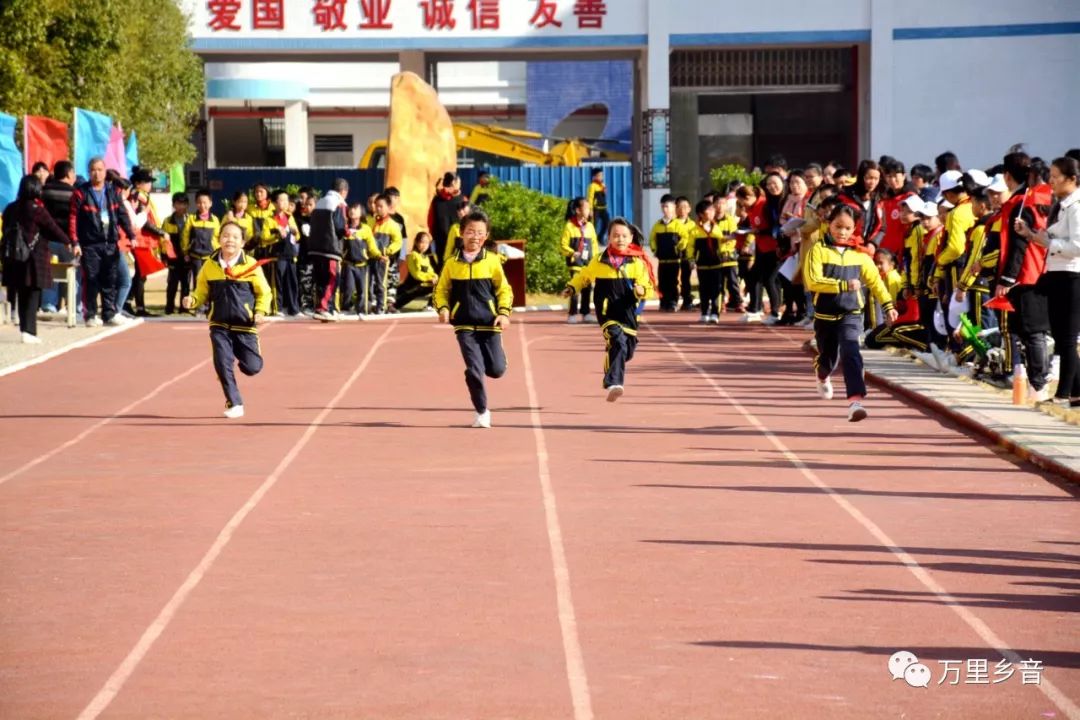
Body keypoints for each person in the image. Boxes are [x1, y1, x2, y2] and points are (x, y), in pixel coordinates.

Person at [804, 204, 897, 422]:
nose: (843, 232)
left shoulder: (860, 254)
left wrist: (888, 305)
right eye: (838, 226)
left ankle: (855, 401)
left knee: (851, 352)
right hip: (825, 315)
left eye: (848, 228)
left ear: (855, 228)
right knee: (828, 359)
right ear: (829, 224)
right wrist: (843, 285)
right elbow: (813, 281)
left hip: (851, 313)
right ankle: (822, 375)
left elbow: (875, 281)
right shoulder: (818, 250)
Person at [182, 221, 270, 419]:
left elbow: (264, 292)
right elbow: (201, 292)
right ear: (219, 239)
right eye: (226, 236)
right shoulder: (209, 265)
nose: (230, 240)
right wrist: (192, 300)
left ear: (243, 242)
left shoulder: (251, 266)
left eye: (235, 237)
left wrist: (260, 311)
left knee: (252, 367)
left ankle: (235, 361)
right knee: (222, 362)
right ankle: (234, 401)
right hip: (219, 325)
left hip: (245, 326)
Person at [434, 210, 513, 428]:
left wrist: (504, 313)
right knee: (474, 370)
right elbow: (441, 290)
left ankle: (498, 359)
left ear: (486, 236)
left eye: (479, 233)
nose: (474, 237)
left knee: (496, 370)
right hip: (464, 325)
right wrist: (443, 308)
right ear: (461, 234)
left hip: (490, 323)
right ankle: (481, 411)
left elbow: (504, 290)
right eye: (470, 232)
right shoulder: (452, 263)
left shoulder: (492, 261)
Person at [562, 218, 655, 402]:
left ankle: (611, 371)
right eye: (615, 235)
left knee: (626, 350)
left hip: (629, 313)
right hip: (607, 312)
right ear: (609, 237)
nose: (619, 239)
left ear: (631, 238)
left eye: (624, 236)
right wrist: (572, 287)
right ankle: (614, 383)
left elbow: (648, 285)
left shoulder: (637, 262)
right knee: (618, 342)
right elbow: (584, 275)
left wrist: (641, 290)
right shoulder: (600, 260)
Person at [1015, 156, 1080, 407]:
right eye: (1050, 176)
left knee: (1067, 337)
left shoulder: (1076, 206)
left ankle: (1063, 394)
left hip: (1072, 274)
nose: (1050, 182)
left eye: (1055, 177)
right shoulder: (1061, 204)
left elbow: (1077, 245)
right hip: (1056, 272)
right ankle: (1075, 391)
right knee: (1061, 334)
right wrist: (1031, 235)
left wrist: (1048, 242)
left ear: (1072, 179)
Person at [995, 151, 1053, 398]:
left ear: (1008, 177)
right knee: (1030, 330)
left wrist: (1006, 279)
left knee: (1033, 331)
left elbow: (1018, 244)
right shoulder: (1042, 199)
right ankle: (1036, 379)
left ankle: (1039, 383)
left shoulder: (1023, 203)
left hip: (1028, 272)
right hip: (1042, 268)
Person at [2, 174, 78, 342]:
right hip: (34, 257)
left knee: (21, 295)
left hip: (14, 258)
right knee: (33, 295)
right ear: (35, 189)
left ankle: (24, 330)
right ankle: (30, 332)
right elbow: (53, 229)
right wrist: (69, 242)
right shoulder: (37, 210)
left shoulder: (10, 208)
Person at [68, 157, 136, 326]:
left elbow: (122, 215)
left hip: (110, 243)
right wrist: (75, 242)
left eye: (99, 169)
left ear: (105, 172)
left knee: (110, 279)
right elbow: (73, 218)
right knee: (91, 279)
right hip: (90, 244)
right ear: (88, 172)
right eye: (93, 170)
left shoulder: (113, 192)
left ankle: (109, 313)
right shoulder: (81, 193)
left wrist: (131, 235)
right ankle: (90, 315)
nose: (96, 173)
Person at [865, 248, 925, 352]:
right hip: (898, 317)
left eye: (880, 263)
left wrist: (894, 321)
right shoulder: (886, 277)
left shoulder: (893, 278)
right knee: (871, 338)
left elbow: (895, 306)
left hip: (902, 320)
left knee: (873, 339)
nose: (877, 266)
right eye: (876, 263)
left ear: (892, 264)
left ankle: (915, 343)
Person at [687, 199, 735, 324]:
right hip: (702, 264)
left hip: (716, 263)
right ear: (701, 214)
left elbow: (721, 242)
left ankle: (715, 313)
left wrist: (725, 248)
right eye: (709, 210)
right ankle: (704, 312)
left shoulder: (716, 228)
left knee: (717, 289)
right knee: (703, 289)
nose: (713, 212)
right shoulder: (694, 231)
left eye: (713, 210)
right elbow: (690, 247)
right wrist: (691, 260)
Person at [40, 160, 79, 314]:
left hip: (47, 239)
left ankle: (49, 305)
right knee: (73, 274)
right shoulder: (75, 194)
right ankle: (74, 306)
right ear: (69, 174)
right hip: (69, 241)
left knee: (50, 273)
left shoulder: (44, 191)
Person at [308, 178, 349, 320]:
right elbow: (340, 227)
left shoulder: (319, 202)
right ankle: (323, 307)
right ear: (343, 191)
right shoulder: (339, 203)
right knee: (332, 278)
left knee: (320, 279)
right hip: (330, 248)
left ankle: (326, 308)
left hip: (315, 248)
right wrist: (348, 232)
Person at [261, 188, 301, 316]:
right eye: (281, 200)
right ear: (274, 203)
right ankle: (277, 308)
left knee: (292, 282)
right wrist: (277, 233)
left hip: (290, 255)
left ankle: (294, 309)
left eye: (286, 200)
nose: (284, 203)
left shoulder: (290, 217)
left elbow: (297, 236)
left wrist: (295, 232)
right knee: (277, 283)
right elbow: (264, 238)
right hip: (277, 256)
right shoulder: (269, 219)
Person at [180, 189, 222, 312]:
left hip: (210, 256)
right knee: (198, 281)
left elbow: (218, 237)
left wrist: (218, 253)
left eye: (205, 202)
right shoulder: (192, 219)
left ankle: (210, 306)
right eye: (199, 202)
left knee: (211, 281)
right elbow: (185, 237)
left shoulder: (215, 220)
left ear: (210, 203)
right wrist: (186, 252)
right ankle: (199, 306)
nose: (202, 205)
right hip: (196, 256)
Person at [561, 197, 600, 324]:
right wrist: (572, 252)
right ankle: (572, 313)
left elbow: (594, 245)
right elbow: (563, 245)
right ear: (578, 210)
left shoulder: (590, 227)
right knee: (575, 289)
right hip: (575, 264)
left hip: (587, 264)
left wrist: (596, 259)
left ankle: (586, 312)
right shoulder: (569, 226)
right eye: (587, 208)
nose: (589, 210)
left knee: (587, 289)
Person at [649, 193, 687, 312]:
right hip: (662, 260)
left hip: (674, 260)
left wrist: (679, 247)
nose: (665, 209)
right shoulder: (657, 225)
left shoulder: (678, 225)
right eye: (663, 206)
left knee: (673, 282)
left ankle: (672, 302)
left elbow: (685, 238)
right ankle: (663, 302)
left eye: (668, 206)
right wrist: (655, 249)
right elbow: (652, 239)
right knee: (662, 282)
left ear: (674, 208)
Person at [339, 203, 377, 315]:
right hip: (348, 264)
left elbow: (372, 245)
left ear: (361, 213)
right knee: (348, 288)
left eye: (355, 209)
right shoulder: (344, 227)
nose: (352, 211)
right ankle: (345, 308)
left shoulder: (366, 229)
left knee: (362, 290)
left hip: (363, 265)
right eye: (351, 209)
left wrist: (379, 255)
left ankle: (361, 310)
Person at [369, 193, 403, 314]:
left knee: (381, 283)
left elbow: (398, 242)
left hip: (382, 259)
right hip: (371, 257)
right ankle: (371, 305)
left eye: (381, 206)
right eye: (376, 206)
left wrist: (387, 251)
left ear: (388, 207)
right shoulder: (371, 222)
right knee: (370, 282)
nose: (378, 208)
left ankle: (381, 306)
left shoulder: (393, 225)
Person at [161, 192, 191, 315]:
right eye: (178, 204)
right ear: (174, 205)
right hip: (172, 258)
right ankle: (169, 308)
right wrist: (164, 256)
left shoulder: (191, 220)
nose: (181, 207)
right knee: (172, 284)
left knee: (186, 284)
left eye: (184, 204)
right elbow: (163, 240)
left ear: (187, 205)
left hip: (186, 258)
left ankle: (184, 308)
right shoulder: (167, 221)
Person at [396, 231, 438, 310]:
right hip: (412, 285)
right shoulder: (412, 255)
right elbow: (416, 274)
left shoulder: (426, 257)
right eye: (422, 242)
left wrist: (435, 277)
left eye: (427, 243)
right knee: (397, 303)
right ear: (416, 242)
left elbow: (431, 272)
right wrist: (428, 279)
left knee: (440, 286)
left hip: (423, 285)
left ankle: (430, 306)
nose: (424, 245)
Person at [429, 171, 461, 269]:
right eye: (459, 182)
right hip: (450, 242)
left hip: (449, 241)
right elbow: (431, 220)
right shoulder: (460, 200)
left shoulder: (437, 199)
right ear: (453, 183)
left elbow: (430, 221)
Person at [442, 198, 470, 266]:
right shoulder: (455, 228)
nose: (461, 212)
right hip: (458, 263)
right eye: (459, 211)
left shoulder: (478, 225)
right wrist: (445, 262)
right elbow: (449, 247)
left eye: (463, 209)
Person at [587, 168, 610, 245]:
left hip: (603, 208)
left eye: (602, 175)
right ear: (595, 176)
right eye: (599, 175)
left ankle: (600, 237)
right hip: (595, 209)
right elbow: (590, 198)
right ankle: (592, 241)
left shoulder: (602, 185)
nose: (601, 177)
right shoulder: (592, 186)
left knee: (607, 223)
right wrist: (590, 210)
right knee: (594, 226)